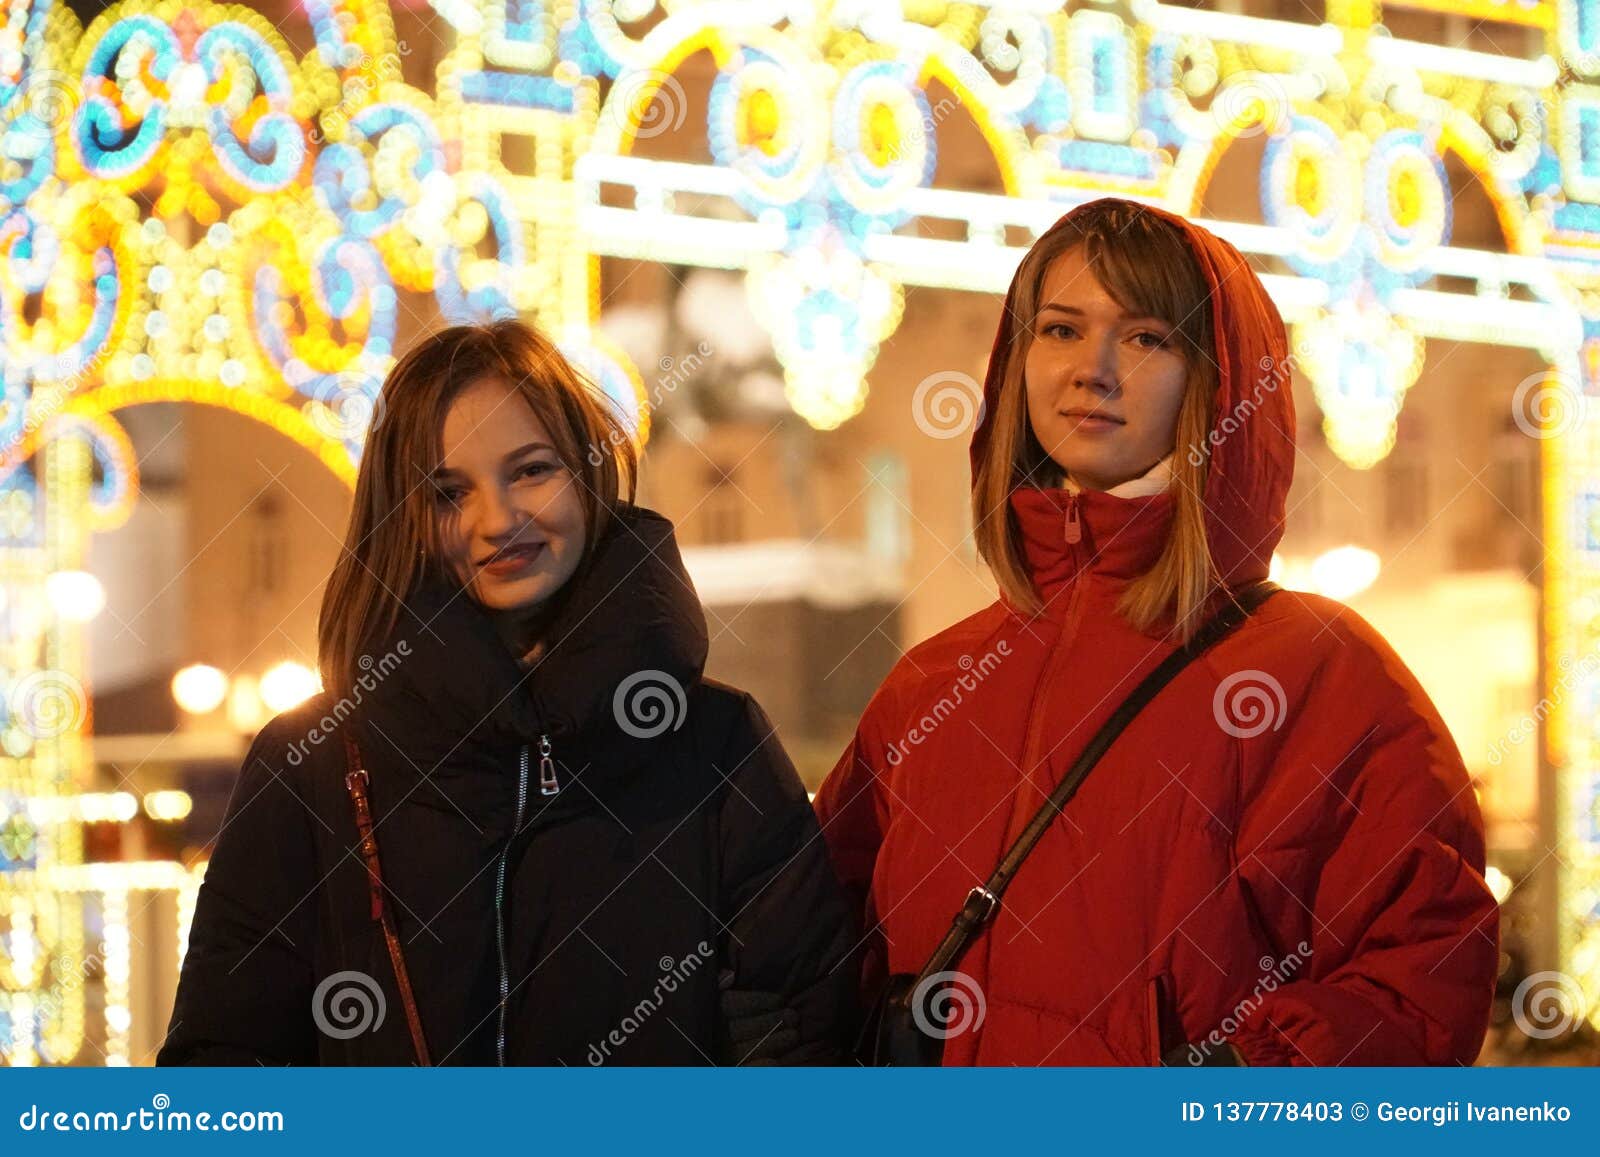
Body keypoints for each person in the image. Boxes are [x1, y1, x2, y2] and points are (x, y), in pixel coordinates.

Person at [813, 198, 1499, 1066]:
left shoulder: (1322, 675)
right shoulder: (931, 683)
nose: (1091, 369)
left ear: (1217, 379)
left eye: (1146, 338)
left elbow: (1421, 978)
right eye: (1060, 329)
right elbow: (806, 962)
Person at [160, 320, 858, 1065]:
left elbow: (808, 1036)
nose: (498, 521)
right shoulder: (314, 762)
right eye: (448, 491)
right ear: (404, 520)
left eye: (530, 470)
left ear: (586, 475)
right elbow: (224, 1061)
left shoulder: (713, 744)